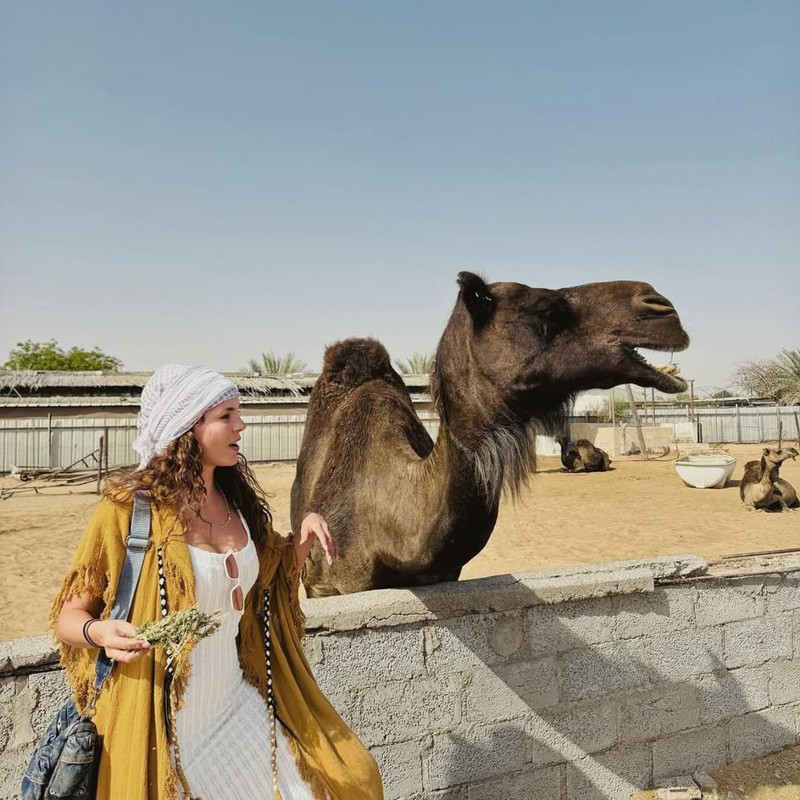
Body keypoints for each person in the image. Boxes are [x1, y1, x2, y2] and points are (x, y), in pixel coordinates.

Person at [52, 365, 383, 800]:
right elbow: (68, 616)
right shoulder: (126, 512)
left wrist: (301, 543)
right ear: (188, 426)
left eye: (238, 413)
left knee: (347, 778)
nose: (240, 425)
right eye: (226, 415)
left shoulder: (237, 502)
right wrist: (99, 632)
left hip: (235, 704)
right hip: (162, 724)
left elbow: (266, 582)